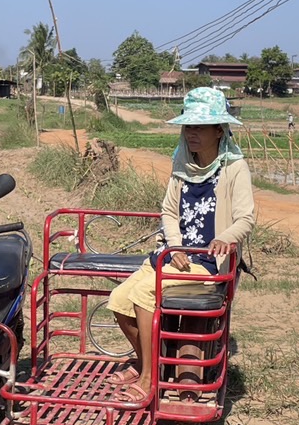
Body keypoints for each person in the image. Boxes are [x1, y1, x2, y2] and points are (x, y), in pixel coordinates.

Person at [107, 87, 256, 406]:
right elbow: (169, 211)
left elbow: (246, 218)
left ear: (219, 130)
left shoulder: (234, 168)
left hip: (209, 262)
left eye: (199, 127)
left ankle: (149, 380)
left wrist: (225, 238)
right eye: (188, 126)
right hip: (177, 256)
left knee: (143, 294)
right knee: (119, 299)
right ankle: (152, 363)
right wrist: (174, 246)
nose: (191, 133)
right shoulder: (182, 162)